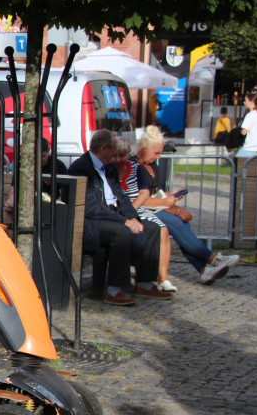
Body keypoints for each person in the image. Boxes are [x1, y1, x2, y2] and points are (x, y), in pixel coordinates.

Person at [67, 129, 169, 306]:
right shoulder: (81, 167)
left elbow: (121, 197)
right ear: (105, 148)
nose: (116, 154)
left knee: (152, 228)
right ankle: (114, 289)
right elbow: (91, 207)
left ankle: (144, 283)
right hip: (91, 221)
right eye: (114, 149)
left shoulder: (109, 168)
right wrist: (124, 221)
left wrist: (133, 218)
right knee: (122, 232)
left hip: (112, 215)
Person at [134, 126, 239, 285]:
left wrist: (170, 196)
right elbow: (141, 199)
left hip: (154, 205)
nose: (158, 156)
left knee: (182, 223)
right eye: (156, 153)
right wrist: (171, 206)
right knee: (176, 222)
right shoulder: (134, 166)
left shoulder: (152, 165)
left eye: (160, 152)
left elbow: (155, 193)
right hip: (141, 210)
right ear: (143, 149)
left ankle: (204, 269)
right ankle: (212, 260)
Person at [115, 134, 174, 293]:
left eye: (123, 155)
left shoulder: (134, 168)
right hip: (118, 211)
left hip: (136, 207)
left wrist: (132, 209)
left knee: (161, 229)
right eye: (117, 155)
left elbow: (144, 192)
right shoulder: (109, 169)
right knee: (145, 231)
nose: (120, 159)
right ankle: (144, 280)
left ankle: (160, 278)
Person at [236, 87, 257, 158]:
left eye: (245, 101)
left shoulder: (250, 115)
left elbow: (244, 132)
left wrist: (238, 131)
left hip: (249, 147)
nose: (244, 102)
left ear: (251, 102)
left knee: (236, 165)